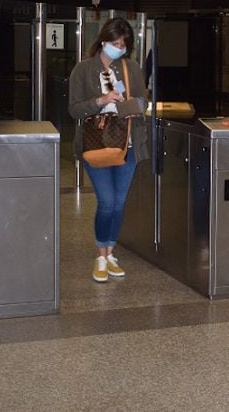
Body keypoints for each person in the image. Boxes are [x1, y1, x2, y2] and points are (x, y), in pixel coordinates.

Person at [68, 19, 148, 283]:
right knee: (106, 201)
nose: (119, 48)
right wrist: (100, 101)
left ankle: (110, 253)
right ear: (104, 40)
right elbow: (74, 109)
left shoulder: (131, 68)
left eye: (123, 44)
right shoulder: (83, 69)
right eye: (115, 43)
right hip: (96, 143)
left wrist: (124, 105)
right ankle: (100, 256)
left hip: (128, 144)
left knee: (119, 203)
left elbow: (142, 102)